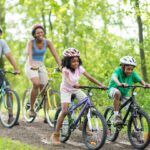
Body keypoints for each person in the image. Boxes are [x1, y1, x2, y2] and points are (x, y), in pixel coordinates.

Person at [51, 48, 107, 145]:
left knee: (89, 104)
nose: (76, 63)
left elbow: (90, 77)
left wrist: (100, 85)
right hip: (66, 90)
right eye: (73, 61)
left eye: (77, 61)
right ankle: (56, 134)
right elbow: (68, 80)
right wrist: (74, 84)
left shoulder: (79, 68)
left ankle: (84, 125)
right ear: (68, 62)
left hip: (76, 88)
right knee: (64, 111)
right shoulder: (65, 69)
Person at [24, 24, 61, 119]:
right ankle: (31, 109)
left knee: (44, 89)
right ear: (34, 34)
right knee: (36, 84)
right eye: (38, 33)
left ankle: (46, 115)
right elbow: (30, 55)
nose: (40, 34)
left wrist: (61, 66)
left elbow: (55, 54)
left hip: (41, 64)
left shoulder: (47, 42)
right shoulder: (31, 42)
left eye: (41, 32)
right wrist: (32, 65)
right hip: (31, 64)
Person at [108, 56, 150, 127]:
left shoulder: (132, 73)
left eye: (131, 69)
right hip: (113, 89)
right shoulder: (118, 71)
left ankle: (136, 131)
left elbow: (140, 80)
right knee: (117, 93)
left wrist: (145, 84)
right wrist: (119, 84)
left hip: (124, 93)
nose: (130, 71)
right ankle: (116, 116)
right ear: (123, 66)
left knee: (133, 110)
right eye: (128, 69)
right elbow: (114, 77)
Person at [0, 27, 20, 124]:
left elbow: (9, 56)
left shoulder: (2, 42)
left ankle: (11, 117)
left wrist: (16, 68)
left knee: (8, 90)